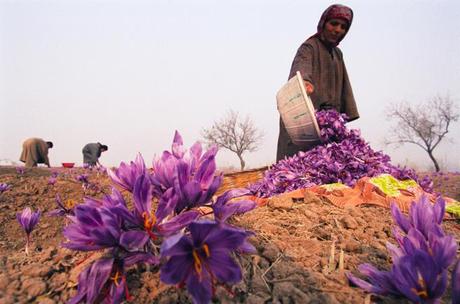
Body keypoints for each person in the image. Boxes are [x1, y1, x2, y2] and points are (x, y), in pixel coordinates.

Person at [276, 4, 359, 161]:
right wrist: (305, 83)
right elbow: (301, 69)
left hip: (328, 125)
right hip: (304, 122)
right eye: (333, 23)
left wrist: (338, 120)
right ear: (324, 23)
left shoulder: (338, 54)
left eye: (343, 27)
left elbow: (344, 88)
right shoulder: (309, 47)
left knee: (328, 167)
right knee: (297, 168)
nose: (337, 30)